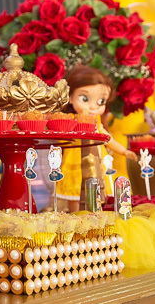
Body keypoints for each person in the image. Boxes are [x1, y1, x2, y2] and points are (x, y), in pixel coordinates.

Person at [56, 65, 138, 212]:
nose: (93, 107)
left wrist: (124, 151)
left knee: (97, 193)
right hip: (76, 163)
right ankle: (76, 217)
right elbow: (60, 139)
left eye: (101, 101)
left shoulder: (97, 123)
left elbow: (108, 139)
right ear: (70, 97)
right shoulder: (69, 120)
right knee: (75, 196)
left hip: (97, 163)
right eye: (85, 99)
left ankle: (93, 216)